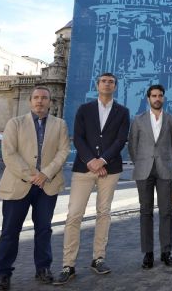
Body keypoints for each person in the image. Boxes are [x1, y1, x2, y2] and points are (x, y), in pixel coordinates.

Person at [54, 73, 131, 285]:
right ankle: (68, 264)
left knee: (103, 213)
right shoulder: (84, 109)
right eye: (103, 81)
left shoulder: (122, 111)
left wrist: (103, 160)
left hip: (110, 169)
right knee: (74, 215)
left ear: (115, 86)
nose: (107, 84)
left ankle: (98, 258)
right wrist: (91, 161)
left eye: (111, 82)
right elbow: (78, 137)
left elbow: (121, 139)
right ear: (97, 85)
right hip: (83, 168)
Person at [0, 86, 70, 290]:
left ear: (50, 102)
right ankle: (3, 274)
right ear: (30, 101)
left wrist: (46, 173)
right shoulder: (15, 123)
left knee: (44, 230)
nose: (40, 101)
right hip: (18, 184)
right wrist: (33, 176)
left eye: (44, 98)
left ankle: (43, 269)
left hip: (48, 185)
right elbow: (9, 154)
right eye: (36, 97)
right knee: (10, 231)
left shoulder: (60, 124)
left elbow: (64, 151)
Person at [128, 84, 172, 269]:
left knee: (166, 212)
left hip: (165, 169)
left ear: (164, 98)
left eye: (160, 96)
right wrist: (141, 161)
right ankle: (148, 253)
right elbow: (132, 145)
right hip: (144, 170)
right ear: (148, 98)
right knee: (145, 212)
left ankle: (166, 252)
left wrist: (166, 160)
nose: (157, 98)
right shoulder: (138, 120)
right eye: (154, 96)